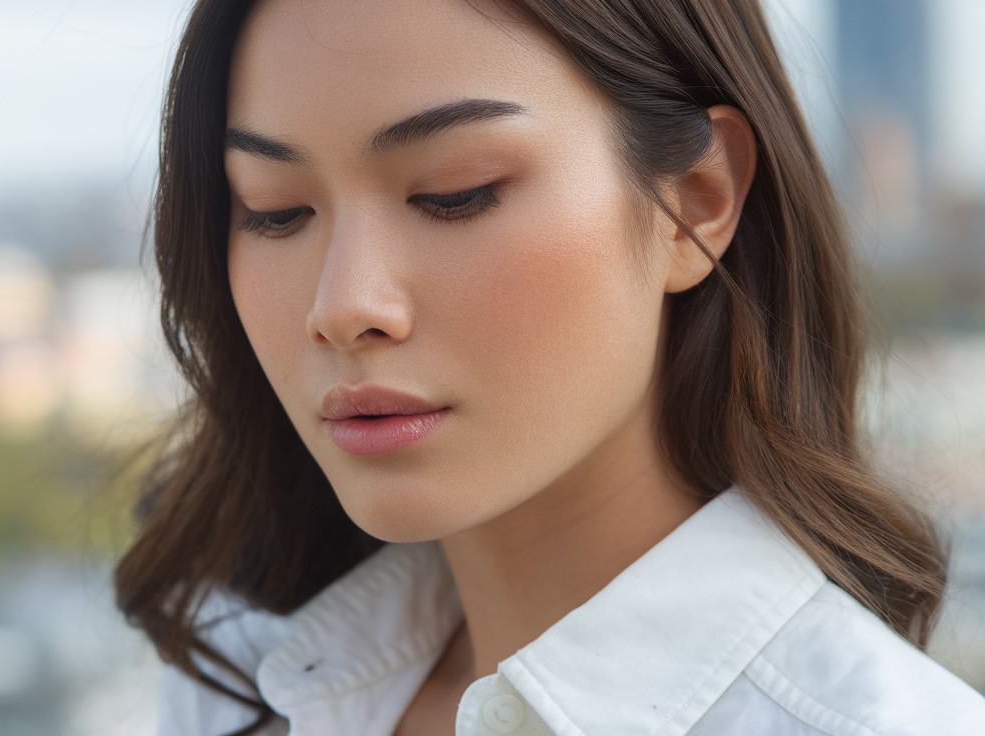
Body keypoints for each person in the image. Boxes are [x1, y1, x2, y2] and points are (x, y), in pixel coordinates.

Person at [115, 0, 985, 734]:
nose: (342, 306)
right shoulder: (238, 685)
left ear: (694, 203)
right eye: (275, 212)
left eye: (453, 193)